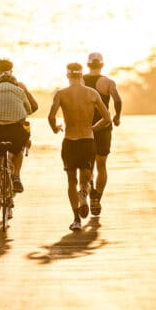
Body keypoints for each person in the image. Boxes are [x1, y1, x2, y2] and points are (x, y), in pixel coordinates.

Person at [48, 62, 112, 231]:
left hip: (69, 141)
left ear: (68, 75)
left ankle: (76, 219)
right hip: (87, 140)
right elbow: (107, 118)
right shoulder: (92, 93)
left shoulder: (61, 94)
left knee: (71, 180)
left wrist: (55, 129)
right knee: (86, 177)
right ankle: (83, 193)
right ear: (81, 75)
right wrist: (93, 128)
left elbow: (51, 116)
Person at [0, 58, 39, 223]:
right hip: (15, 130)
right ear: (12, 70)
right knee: (19, 148)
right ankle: (16, 176)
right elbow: (33, 107)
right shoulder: (20, 86)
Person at [83, 52, 122, 216]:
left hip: (85, 127)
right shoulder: (108, 82)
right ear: (102, 65)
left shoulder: (81, 81)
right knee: (101, 164)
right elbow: (118, 100)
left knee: (86, 164)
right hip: (104, 127)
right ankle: (96, 198)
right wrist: (117, 117)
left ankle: (88, 188)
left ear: (88, 65)